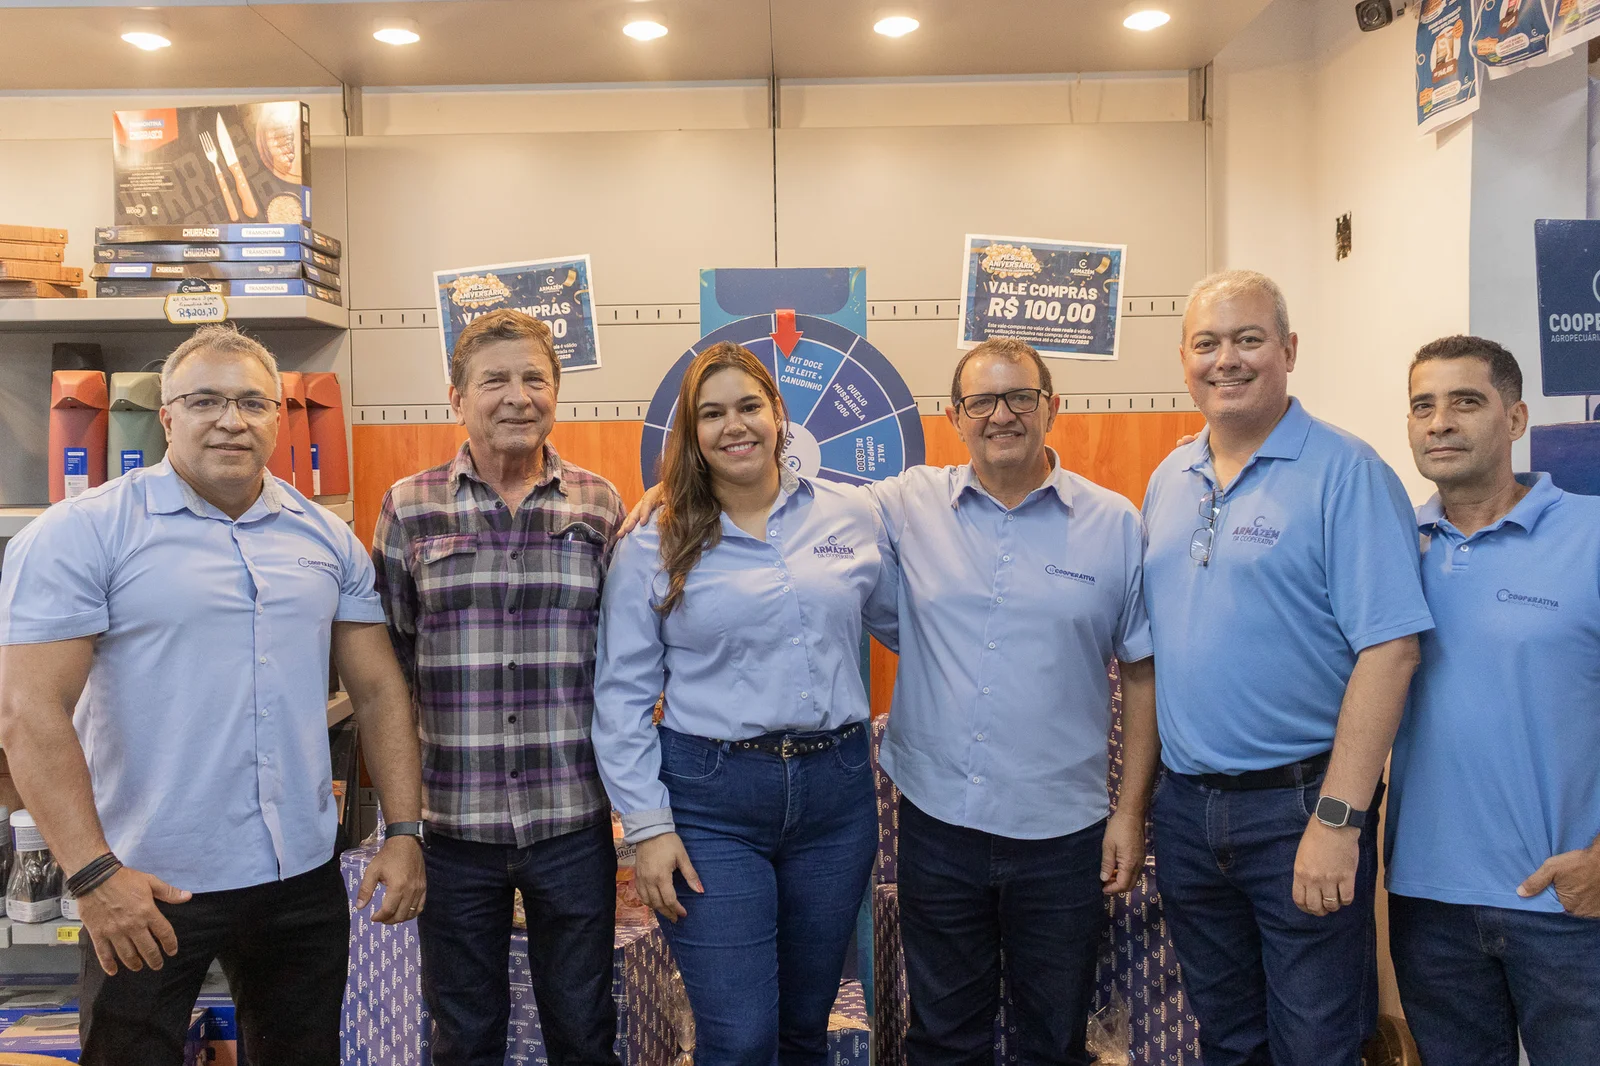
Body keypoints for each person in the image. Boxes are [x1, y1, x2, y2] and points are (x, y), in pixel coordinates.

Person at [621, 336, 1160, 1066]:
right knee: (920, 1036)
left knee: (1047, 1038)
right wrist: (677, 490)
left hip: (1050, 824)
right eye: (981, 401)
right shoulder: (901, 504)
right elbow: (751, 491)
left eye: (1020, 397)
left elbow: (1139, 667)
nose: (1001, 415)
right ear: (954, 416)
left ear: (1051, 407)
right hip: (921, 818)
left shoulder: (1113, 523)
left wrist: (1129, 812)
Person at [0, 324, 425, 1066]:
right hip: (145, 880)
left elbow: (381, 692)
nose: (231, 420)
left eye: (252, 403)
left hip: (298, 877)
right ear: (166, 417)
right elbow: (27, 712)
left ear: (279, 419)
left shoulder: (325, 538)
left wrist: (404, 831)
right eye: (204, 401)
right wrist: (94, 875)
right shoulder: (83, 533)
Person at [1140, 270, 1432, 1066]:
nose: (1226, 360)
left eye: (1248, 340)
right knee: (1228, 1040)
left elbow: (1392, 650)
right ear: (1184, 359)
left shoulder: (1347, 472)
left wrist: (1338, 820)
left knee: (1316, 1045)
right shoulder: (1170, 478)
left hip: (1299, 809)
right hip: (1188, 811)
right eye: (1207, 343)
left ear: (1289, 350)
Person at [593, 341, 897, 1066]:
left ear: (779, 414)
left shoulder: (850, 515)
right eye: (712, 413)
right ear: (691, 432)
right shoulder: (654, 541)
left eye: (749, 406)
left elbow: (914, 627)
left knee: (803, 1028)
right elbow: (621, 697)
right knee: (740, 1036)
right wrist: (648, 828)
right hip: (710, 802)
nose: (734, 425)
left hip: (835, 797)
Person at [371, 309, 625, 1066]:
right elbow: (389, 670)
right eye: (494, 381)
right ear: (457, 398)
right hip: (453, 827)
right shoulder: (409, 507)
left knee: (585, 1031)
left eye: (534, 378)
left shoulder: (599, 505)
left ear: (556, 393)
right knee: (464, 1034)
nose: (518, 396)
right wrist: (401, 825)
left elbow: (625, 660)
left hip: (572, 822)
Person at [1386, 335, 1600, 1066]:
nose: (1440, 422)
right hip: (1428, 904)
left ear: (1515, 418)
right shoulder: (1390, 547)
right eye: (1422, 406)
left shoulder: (1591, 534)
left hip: (1567, 905)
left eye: (1466, 402)